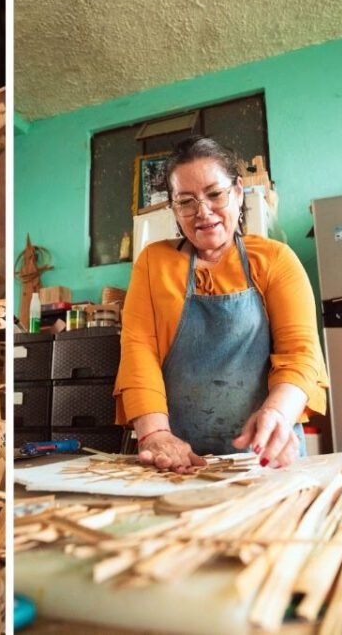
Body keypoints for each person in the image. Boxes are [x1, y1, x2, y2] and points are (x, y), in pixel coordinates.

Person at [114, 136, 328, 473]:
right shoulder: (153, 263)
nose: (203, 212)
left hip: (263, 455)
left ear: (239, 191)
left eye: (215, 194)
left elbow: (300, 353)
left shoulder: (275, 259)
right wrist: (155, 433)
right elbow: (138, 350)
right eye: (186, 201)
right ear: (173, 207)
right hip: (174, 459)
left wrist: (277, 414)